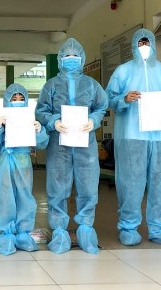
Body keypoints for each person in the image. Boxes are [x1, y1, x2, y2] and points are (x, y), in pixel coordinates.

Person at [105, 28, 161, 247]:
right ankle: (128, 227)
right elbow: (109, 98)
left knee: (160, 181)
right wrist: (124, 98)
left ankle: (159, 228)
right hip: (132, 135)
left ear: (154, 45)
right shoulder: (123, 71)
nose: (144, 47)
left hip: (159, 136)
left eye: (147, 43)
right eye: (140, 43)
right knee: (131, 182)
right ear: (133, 46)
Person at [35, 38, 108, 254]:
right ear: (60, 59)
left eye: (75, 56)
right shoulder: (50, 85)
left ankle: (86, 229)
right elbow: (41, 110)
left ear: (82, 59)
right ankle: (59, 231)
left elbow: (102, 105)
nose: (71, 59)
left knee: (88, 185)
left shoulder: (92, 84)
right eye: (67, 56)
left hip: (86, 141)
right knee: (57, 187)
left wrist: (93, 120)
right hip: (59, 142)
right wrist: (53, 121)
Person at [0, 83, 49, 256]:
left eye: (21, 98)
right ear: (7, 100)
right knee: (5, 198)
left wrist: (39, 130)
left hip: (23, 161)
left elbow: (41, 144)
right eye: (13, 98)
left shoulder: (30, 120)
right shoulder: (3, 120)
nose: (17, 101)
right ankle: (6, 235)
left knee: (25, 197)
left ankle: (23, 234)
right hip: (5, 160)